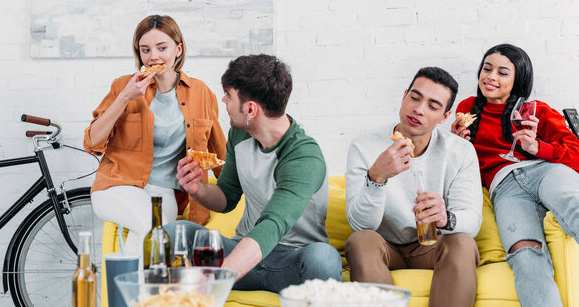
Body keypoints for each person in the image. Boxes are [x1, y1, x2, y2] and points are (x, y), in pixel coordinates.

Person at [164, 54, 342, 292]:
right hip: (241, 251)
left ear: (250, 108)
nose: (223, 100)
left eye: (229, 94)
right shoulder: (239, 135)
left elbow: (272, 224)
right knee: (174, 233)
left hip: (290, 262)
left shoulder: (305, 157)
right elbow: (227, 197)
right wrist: (198, 189)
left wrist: (221, 277)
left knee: (323, 256)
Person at [84, 15, 226, 257]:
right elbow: (92, 141)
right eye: (145, 50)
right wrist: (125, 97)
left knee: (152, 245)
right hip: (118, 184)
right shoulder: (123, 86)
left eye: (162, 48)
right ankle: (132, 289)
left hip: (164, 191)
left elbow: (218, 151)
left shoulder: (201, 92)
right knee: (153, 230)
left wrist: (241, 190)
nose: (153, 57)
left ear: (178, 49)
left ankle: (125, 290)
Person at [452, 43, 579, 307]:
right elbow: (463, 173)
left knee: (574, 206)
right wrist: (456, 147)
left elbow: (576, 153)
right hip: (504, 189)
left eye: (502, 72)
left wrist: (536, 147)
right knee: (524, 254)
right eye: (487, 69)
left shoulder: (536, 110)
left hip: (545, 171)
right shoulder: (467, 109)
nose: (491, 77)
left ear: (517, 79)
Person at [345, 67, 483, 307]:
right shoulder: (364, 146)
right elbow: (361, 225)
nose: (419, 109)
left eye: (433, 106)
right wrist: (376, 177)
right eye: (415, 98)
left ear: (445, 116)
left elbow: (472, 219)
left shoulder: (460, 152)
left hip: (433, 244)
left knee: (462, 243)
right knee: (360, 240)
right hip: (385, 245)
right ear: (404, 96)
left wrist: (445, 218)